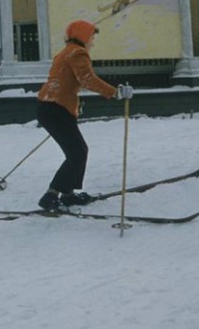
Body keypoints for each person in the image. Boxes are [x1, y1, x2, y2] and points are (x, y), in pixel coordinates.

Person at [36, 20, 133, 210]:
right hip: (56, 109)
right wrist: (116, 92)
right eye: (92, 37)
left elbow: (67, 81)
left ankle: (68, 194)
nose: (93, 42)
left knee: (77, 151)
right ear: (83, 36)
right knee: (77, 153)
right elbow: (87, 79)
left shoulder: (65, 52)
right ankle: (51, 195)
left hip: (50, 107)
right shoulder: (78, 53)